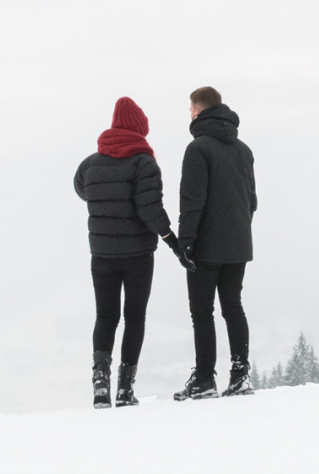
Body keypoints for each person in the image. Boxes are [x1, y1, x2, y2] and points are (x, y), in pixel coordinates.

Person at [74, 97, 191, 408]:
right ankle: (125, 389)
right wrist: (174, 243)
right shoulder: (143, 163)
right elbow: (150, 210)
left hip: (101, 254)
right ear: (139, 128)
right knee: (134, 317)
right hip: (138, 255)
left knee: (105, 316)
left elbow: (81, 189)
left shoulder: (91, 163)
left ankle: (101, 386)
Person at [173, 85, 258, 401]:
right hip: (238, 243)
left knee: (202, 311)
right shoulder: (244, 149)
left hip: (206, 245)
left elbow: (192, 201)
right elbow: (251, 200)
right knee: (233, 306)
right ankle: (240, 375)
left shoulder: (198, 149)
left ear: (196, 111)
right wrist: (239, 230)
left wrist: (186, 242)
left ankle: (205, 379)